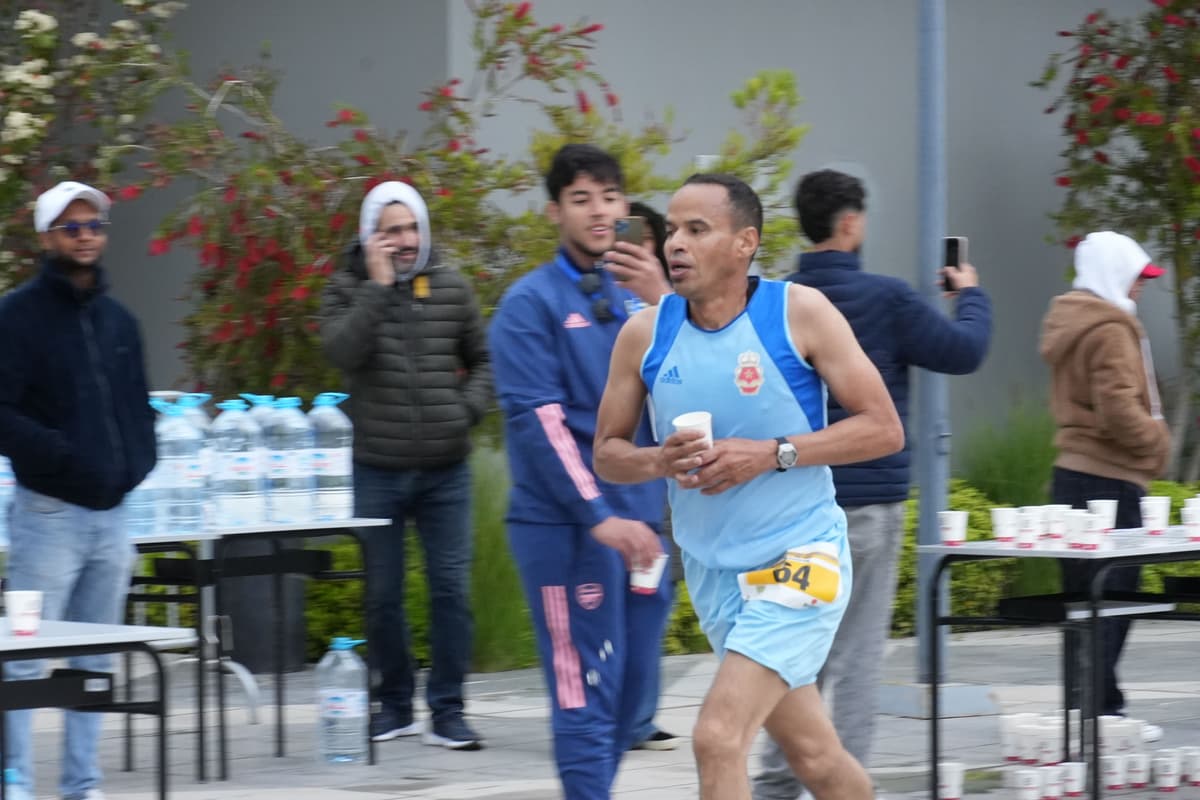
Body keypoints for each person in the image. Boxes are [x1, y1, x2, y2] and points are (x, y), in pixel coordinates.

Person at [594, 173, 904, 800]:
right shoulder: (644, 335)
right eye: (672, 231)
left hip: (801, 558)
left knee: (717, 735)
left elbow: (884, 429)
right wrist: (658, 462)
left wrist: (773, 454)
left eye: (696, 230)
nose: (675, 244)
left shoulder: (800, 313)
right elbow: (607, 454)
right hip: (714, 572)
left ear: (745, 244)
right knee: (815, 758)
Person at [753, 169, 992, 799]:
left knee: (792, 657)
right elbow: (965, 351)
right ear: (851, 223)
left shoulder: (774, 301)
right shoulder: (887, 299)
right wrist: (970, 293)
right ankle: (844, 787)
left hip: (793, 509)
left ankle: (774, 787)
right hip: (868, 510)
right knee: (858, 658)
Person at [488, 144, 674, 798]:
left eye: (609, 196)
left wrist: (666, 304)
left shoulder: (645, 299)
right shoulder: (528, 304)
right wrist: (599, 517)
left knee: (630, 699)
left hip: (649, 530)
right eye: (581, 198)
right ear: (554, 211)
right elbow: (538, 423)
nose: (599, 211)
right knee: (584, 695)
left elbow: (698, 389)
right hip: (567, 533)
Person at [319, 181, 492, 751]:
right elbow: (342, 352)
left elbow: (484, 359)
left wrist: (464, 411)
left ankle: (448, 709)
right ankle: (393, 705)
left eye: (411, 227)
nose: (403, 240)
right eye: (390, 230)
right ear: (369, 235)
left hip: (446, 470)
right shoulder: (346, 289)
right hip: (377, 466)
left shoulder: (450, 285)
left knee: (452, 591)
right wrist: (377, 288)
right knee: (383, 594)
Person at [0, 181, 157, 800]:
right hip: (46, 518)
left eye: (94, 225)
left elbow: (139, 407)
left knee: (97, 660)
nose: (86, 236)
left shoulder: (121, 320)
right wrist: (62, 458)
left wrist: (136, 463)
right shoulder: (15, 317)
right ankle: (15, 782)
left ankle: (82, 786)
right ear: (47, 237)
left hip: (113, 519)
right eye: (72, 227)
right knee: (24, 660)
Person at [1040, 230, 1170, 740]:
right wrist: (1156, 443)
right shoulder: (1112, 329)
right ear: (1115, 274)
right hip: (1111, 482)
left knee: (1084, 603)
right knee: (1114, 602)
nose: (1140, 289)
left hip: (1071, 477)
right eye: (1137, 278)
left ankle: (1090, 711)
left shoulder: (1069, 322)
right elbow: (1119, 408)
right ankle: (1102, 717)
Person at [624, 200, 682, 753]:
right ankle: (607, 717)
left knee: (651, 594)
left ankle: (638, 719)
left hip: (655, 477)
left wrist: (657, 293)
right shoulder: (588, 301)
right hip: (608, 471)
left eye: (644, 240)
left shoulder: (673, 303)